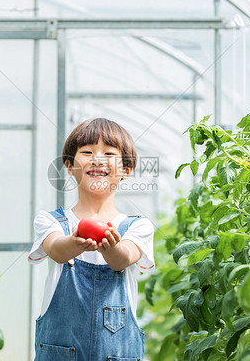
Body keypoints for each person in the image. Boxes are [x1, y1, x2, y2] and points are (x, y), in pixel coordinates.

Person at [28, 117, 155, 360]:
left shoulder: (136, 226)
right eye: (87, 152)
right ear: (69, 166)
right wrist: (75, 242)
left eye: (109, 153)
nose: (97, 159)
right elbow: (56, 249)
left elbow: (123, 258)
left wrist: (110, 248)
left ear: (126, 170)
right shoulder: (51, 222)